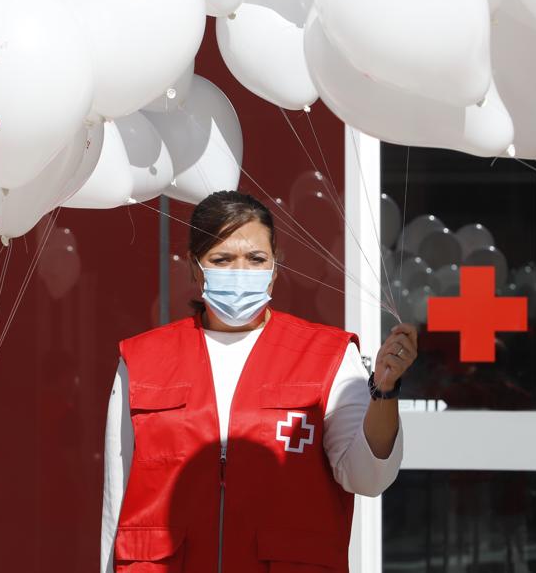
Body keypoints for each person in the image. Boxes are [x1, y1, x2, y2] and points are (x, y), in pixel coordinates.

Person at [100, 190, 417, 572]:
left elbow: (368, 476)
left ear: (276, 266)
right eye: (222, 259)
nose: (240, 272)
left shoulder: (327, 355)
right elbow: (116, 504)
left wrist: (383, 391)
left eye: (255, 259)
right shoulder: (142, 360)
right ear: (194, 268)